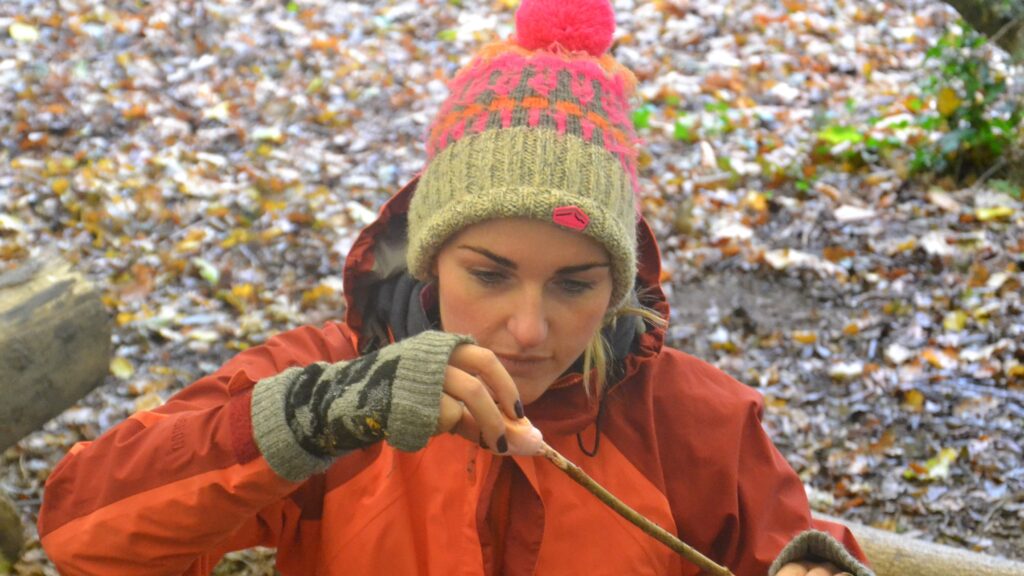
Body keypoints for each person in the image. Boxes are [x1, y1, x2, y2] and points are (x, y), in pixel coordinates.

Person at [38, 0, 875, 574]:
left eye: (575, 284)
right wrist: (312, 418)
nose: (527, 329)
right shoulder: (329, 382)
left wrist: (815, 559)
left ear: (620, 282)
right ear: (427, 258)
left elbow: (789, 544)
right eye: (490, 273)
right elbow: (85, 534)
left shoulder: (692, 423)